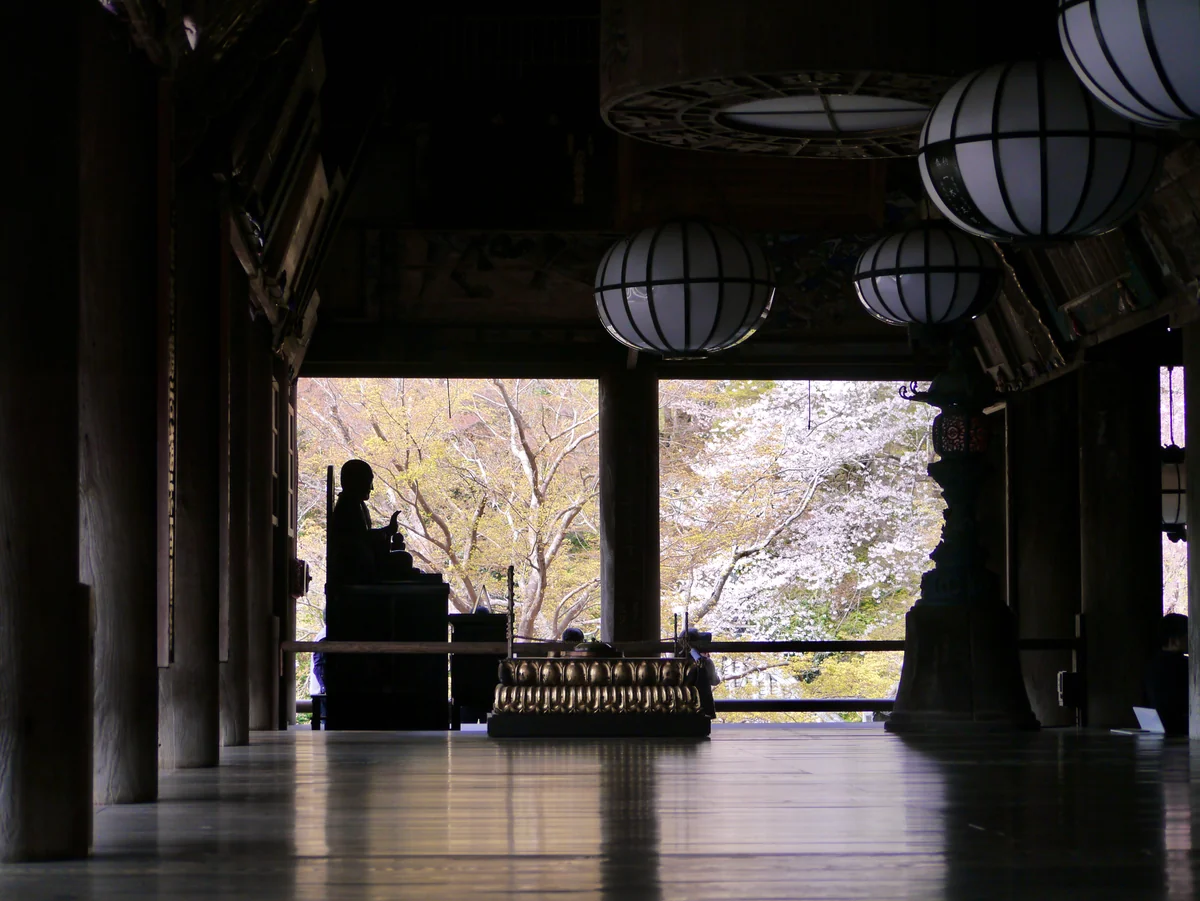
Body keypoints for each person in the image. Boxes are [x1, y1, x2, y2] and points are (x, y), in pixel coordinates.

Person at [327, 459, 412, 585]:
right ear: (356, 482)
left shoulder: (357, 504)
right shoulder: (348, 505)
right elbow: (358, 540)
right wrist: (387, 531)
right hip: (354, 567)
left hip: (364, 560)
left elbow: (363, 536)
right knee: (404, 559)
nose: (371, 488)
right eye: (368, 481)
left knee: (403, 557)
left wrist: (386, 532)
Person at [1145, 613, 1189, 735]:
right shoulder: (1184, 666)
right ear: (1174, 641)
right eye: (1187, 636)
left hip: (1158, 727)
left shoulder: (1152, 664)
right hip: (1182, 727)